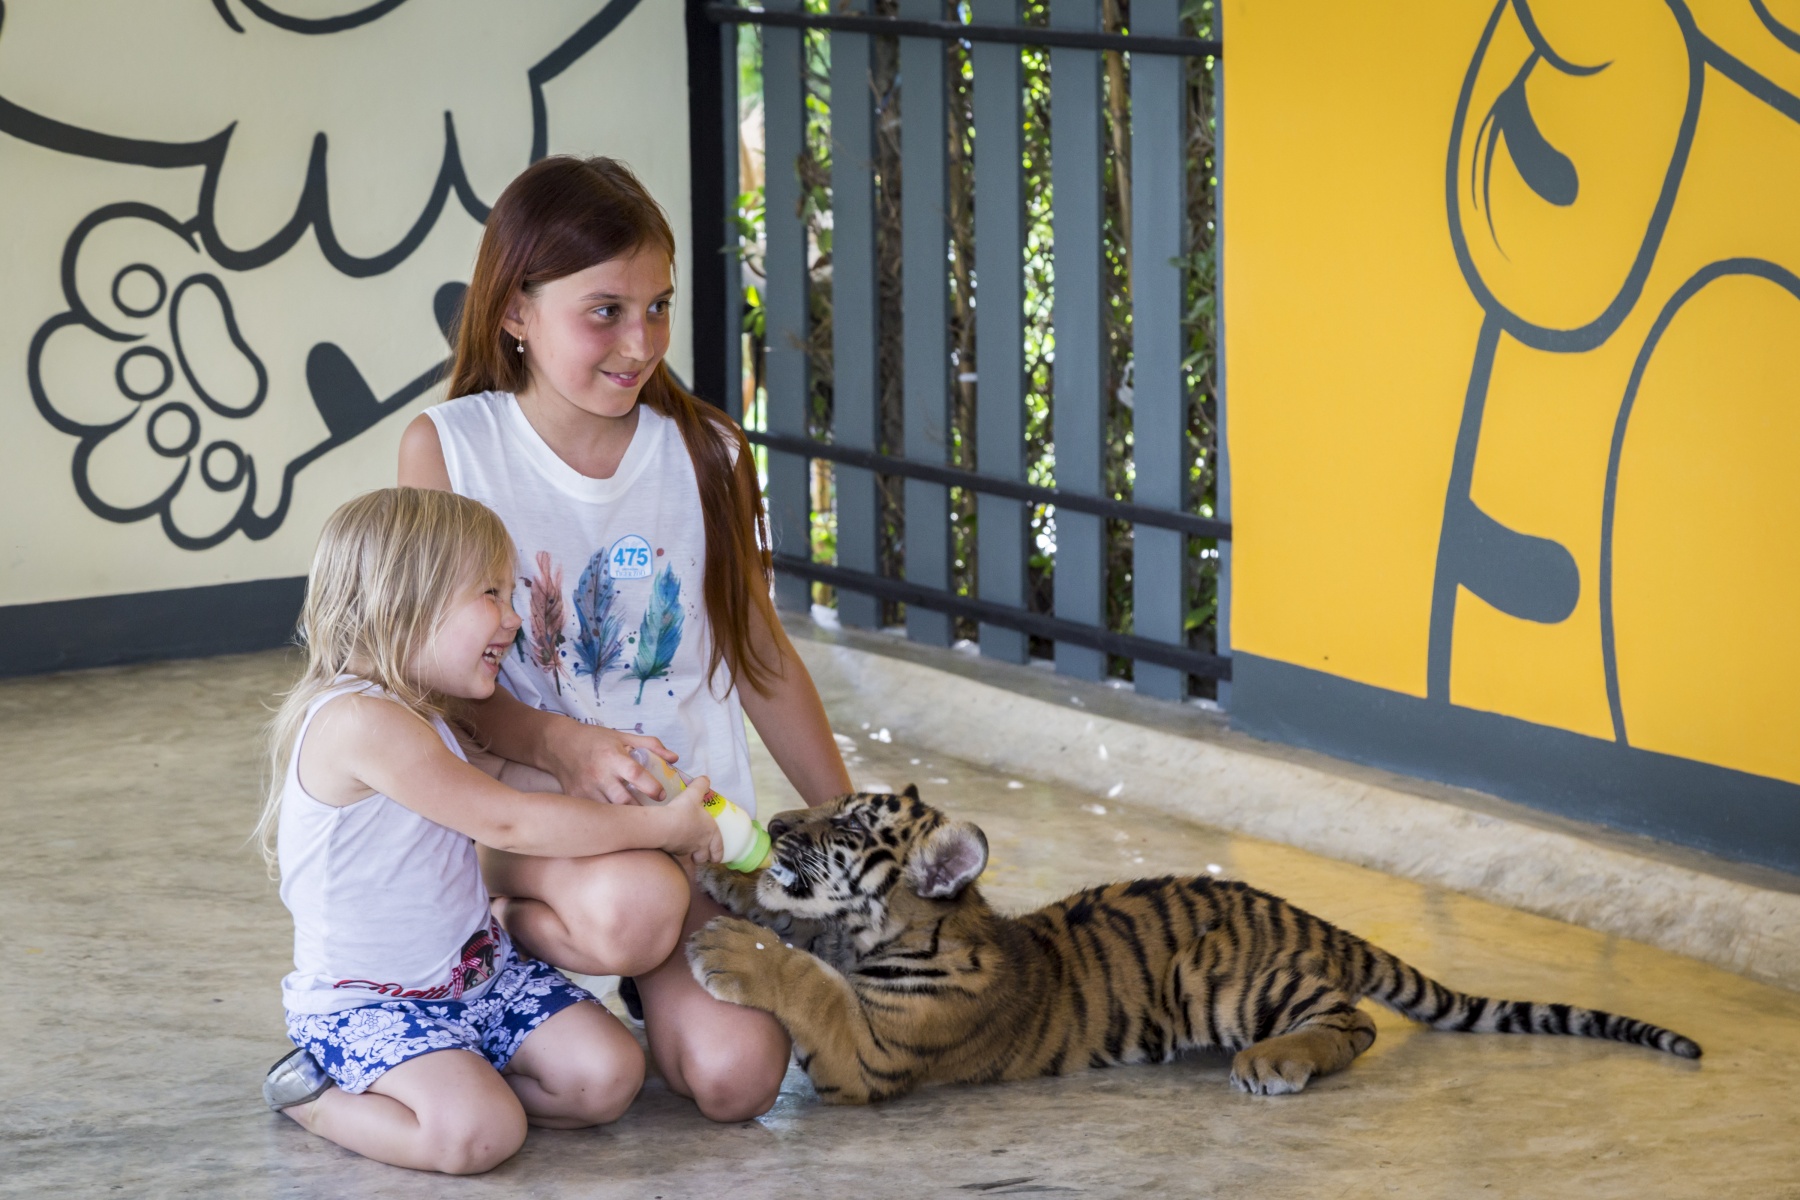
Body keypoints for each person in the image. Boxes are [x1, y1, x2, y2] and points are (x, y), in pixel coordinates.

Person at [397, 155, 853, 1122]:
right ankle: (485, 928)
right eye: (604, 310)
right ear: (515, 311)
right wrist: (564, 745)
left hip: (687, 829)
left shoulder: (707, 452)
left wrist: (849, 829)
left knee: (739, 1079)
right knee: (630, 910)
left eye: (658, 307)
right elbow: (436, 683)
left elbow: (759, 657)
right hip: (529, 827)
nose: (639, 341)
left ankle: (634, 976)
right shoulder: (450, 449)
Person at [256, 487, 725, 1173]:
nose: (512, 618)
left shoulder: (422, 712)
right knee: (478, 1137)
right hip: (373, 1005)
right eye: (490, 594)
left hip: (479, 981)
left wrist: (614, 776)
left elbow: (507, 779)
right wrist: (660, 827)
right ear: (405, 600)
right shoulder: (360, 721)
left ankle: (458, 1080)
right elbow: (507, 818)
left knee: (608, 1078)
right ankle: (315, 1095)